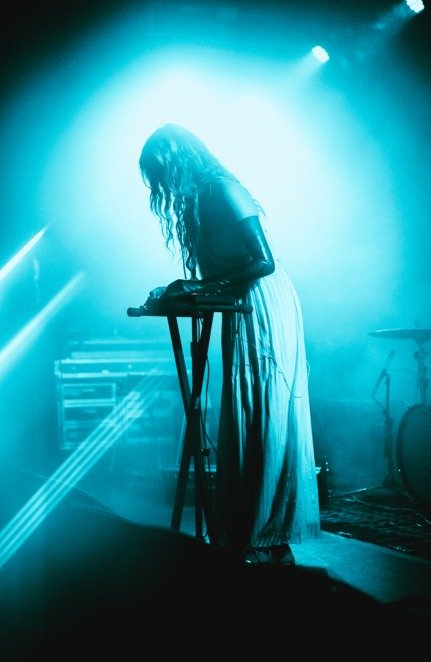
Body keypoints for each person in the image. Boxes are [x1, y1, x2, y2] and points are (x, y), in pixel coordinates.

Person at [137, 123, 320, 565]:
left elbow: (264, 262)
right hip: (241, 303)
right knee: (246, 412)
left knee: (263, 412)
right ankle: (248, 531)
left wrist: (200, 288)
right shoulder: (198, 203)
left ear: (179, 160)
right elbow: (224, 274)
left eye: (162, 174)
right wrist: (186, 290)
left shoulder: (223, 190)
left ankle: (267, 534)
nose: (162, 186)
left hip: (264, 302)